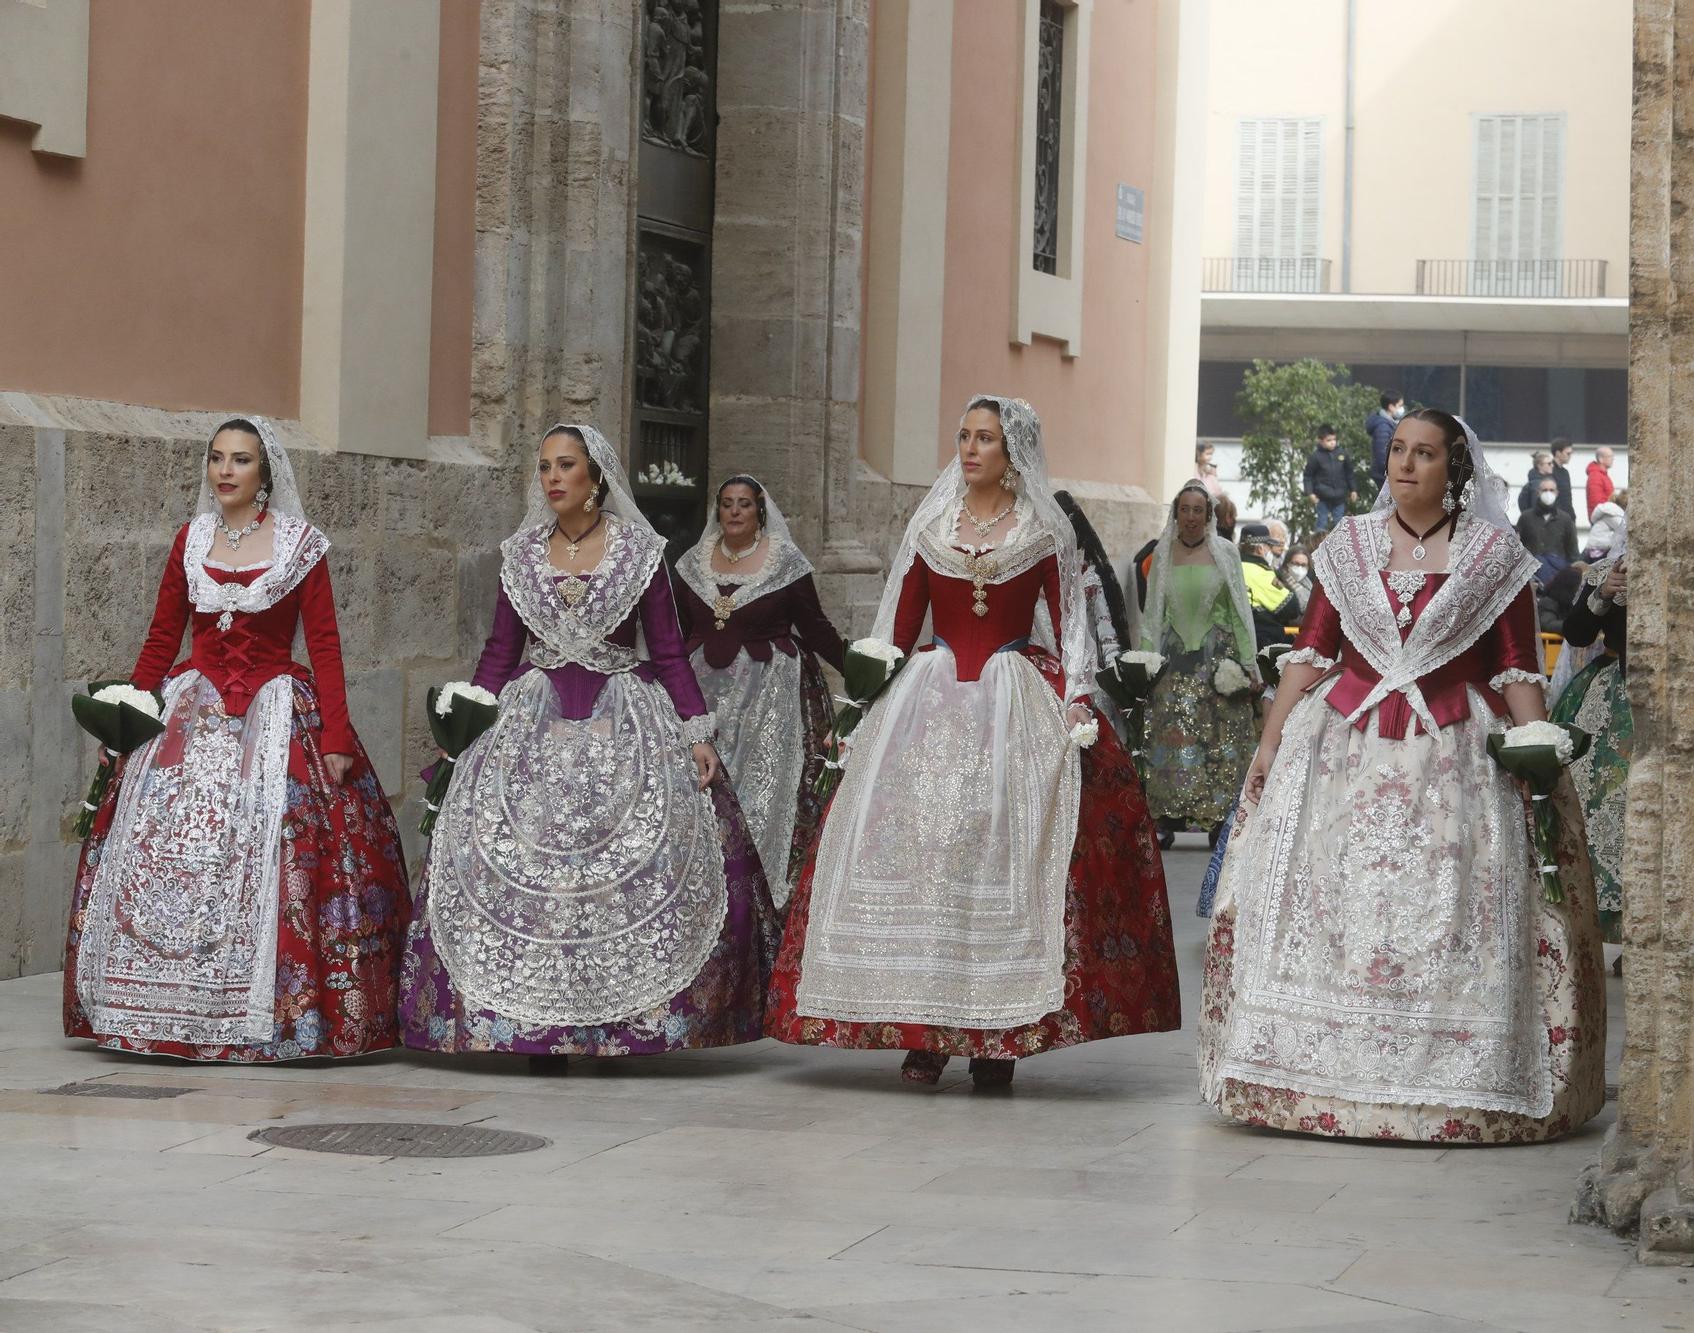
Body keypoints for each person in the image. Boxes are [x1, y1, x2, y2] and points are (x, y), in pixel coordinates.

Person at [1199, 407, 1605, 1143]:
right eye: (1399, 452)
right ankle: (1312, 1069)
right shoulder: (1347, 545)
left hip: (1456, 755)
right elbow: (1312, 653)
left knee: (1451, 911)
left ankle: (1453, 1081)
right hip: (1342, 749)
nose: (1406, 465)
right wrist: (1270, 740)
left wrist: (1538, 748)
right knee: (1332, 899)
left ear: (1455, 470)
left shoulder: (1495, 555)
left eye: (1425, 454)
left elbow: (1516, 669)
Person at [764, 396, 1181, 1086]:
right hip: (927, 706)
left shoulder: (1045, 529)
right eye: (964, 436)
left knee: (1000, 855)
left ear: (1012, 451)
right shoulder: (932, 525)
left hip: (1014, 697)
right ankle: (926, 1032)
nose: (970, 448)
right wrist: (866, 707)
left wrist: (1077, 699)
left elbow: (1072, 625)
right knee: (930, 854)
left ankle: (997, 1036)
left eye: (985, 437)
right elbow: (898, 627)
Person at [400, 424, 776, 1071]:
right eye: (544, 466)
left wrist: (696, 731)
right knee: (530, 874)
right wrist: (463, 733)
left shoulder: (640, 551)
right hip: (532, 721)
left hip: (623, 719)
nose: (552, 478)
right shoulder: (519, 553)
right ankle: (537, 1027)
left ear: (596, 478)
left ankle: (615, 1026)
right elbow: (498, 651)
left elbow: (665, 649)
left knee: (618, 876)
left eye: (565, 465)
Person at [65, 417, 409, 1061]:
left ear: (264, 473)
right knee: (167, 850)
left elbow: (326, 646)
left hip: (276, 710)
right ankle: (158, 1004)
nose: (225, 471)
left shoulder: (302, 545)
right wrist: (130, 712)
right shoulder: (191, 540)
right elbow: (162, 638)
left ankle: (273, 1014)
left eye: (240, 460)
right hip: (190, 711)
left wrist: (334, 732)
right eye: (217, 458)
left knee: (283, 852)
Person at [671, 475, 845, 908]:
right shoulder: (694, 563)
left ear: (760, 512)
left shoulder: (784, 562)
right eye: (727, 503)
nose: (734, 511)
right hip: (702, 698)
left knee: (759, 795)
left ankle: (758, 895)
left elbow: (816, 627)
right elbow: (673, 632)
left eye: (744, 504)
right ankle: (698, 884)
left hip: (771, 698)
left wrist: (862, 672)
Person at [1136, 483, 1260, 847]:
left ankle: (1220, 817)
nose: (1191, 517)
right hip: (1174, 658)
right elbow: (1153, 613)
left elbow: (1240, 610)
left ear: (1209, 516)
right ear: (1176, 513)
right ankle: (1166, 817)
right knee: (1170, 731)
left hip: (1218, 656)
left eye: (1198, 510)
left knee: (1219, 735)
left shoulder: (1225, 553)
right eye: (1185, 509)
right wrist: (1145, 662)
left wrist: (1249, 662)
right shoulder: (1162, 553)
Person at [1553, 539, 1631, 947]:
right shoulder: (1610, 569)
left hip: (1659, 691)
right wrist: (1603, 594)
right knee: (1594, 800)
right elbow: (1577, 633)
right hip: (1609, 695)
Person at [1055, 490, 1135, 738]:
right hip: (1044, 677)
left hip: (1086, 681)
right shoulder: (1033, 578)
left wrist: (1119, 681)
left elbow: (1107, 634)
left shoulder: (1090, 579)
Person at [1238, 523, 1301, 649]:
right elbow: (1291, 608)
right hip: (1261, 643)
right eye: (1269, 546)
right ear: (1260, 549)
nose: (1270, 550)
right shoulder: (1260, 573)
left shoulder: (1233, 568)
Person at [1516, 476, 1579, 580]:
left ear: (1557, 493)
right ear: (1538, 493)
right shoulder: (1526, 517)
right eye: (1544, 490)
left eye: (1551, 490)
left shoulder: (1565, 519)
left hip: (1557, 573)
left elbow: (1572, 550)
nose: (1548, 493)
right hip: (1532, 573)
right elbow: (1518, 546)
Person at [1303, 424, 1357, 533]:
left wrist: (1353, 490)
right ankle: (1318, 546)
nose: (1332, 442)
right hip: (1322, 497)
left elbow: (1349, 473)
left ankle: (1340, 547)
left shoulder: (1342, 454)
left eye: (1334, 439)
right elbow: (1308, 476)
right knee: (1321, 524)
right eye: (1329, 440)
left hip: (1339, 497)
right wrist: (1310, 493)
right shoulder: (1315, 457)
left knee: (1339, 525)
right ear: (1321, 441)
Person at [1365, 392, 1403, 486]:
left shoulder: (1391, 423)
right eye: (1400, 405)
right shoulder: (1383, 427)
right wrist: (1391, 472)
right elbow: (1382, 454)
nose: (1402, 409)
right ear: (1391, 407)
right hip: (1385, 475)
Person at [1516, 450, 1556, 516]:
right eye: (1549, 463)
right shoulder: (1536, 485)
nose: (1552, 465)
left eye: (1552, 463)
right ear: (1539, 466)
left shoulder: (1537, 483)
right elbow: (1536, 510)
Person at [1548, 438, 1577, 516]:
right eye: (1568, 453)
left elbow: (1567, 497)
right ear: (1558, 453)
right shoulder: (1550, 471)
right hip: (1556, 516)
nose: (1570, 456)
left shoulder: (1565, 472)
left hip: (1567, 515)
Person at [1586, 446, 1616, 515]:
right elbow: (1596, 502)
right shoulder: (1595, 476)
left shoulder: (1603, 475)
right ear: (1601, 459)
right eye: (1610, 456)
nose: (1613, 459)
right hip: (1601, 517)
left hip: (1606, 514)